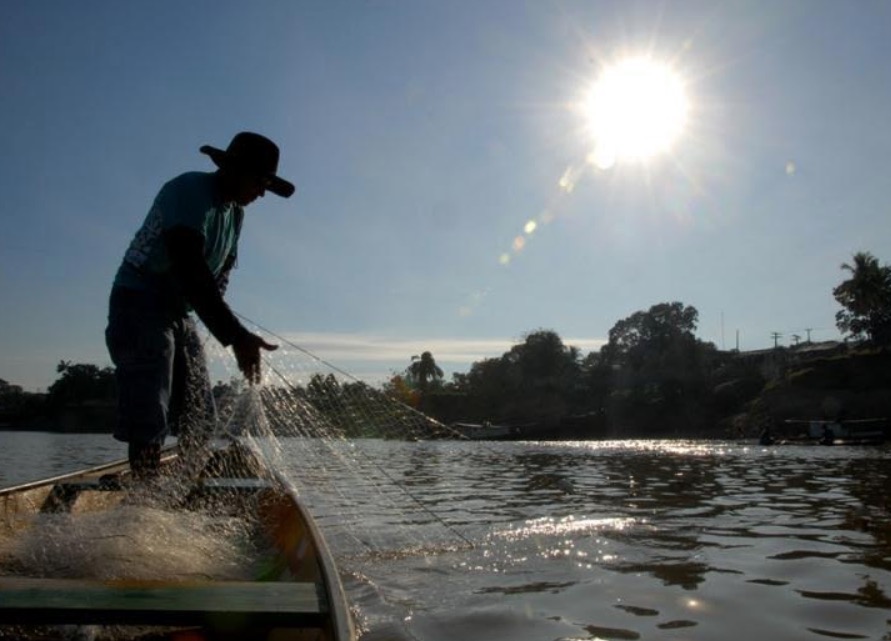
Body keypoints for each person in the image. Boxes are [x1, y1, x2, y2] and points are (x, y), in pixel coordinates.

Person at [105, 132, 293, 479]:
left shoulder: (235, 214)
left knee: (200, 416)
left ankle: (183, 486)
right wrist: (235, 335)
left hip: (180, 312)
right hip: (139, 302)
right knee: (150, 409)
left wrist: (230, 331)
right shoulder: (191, 192)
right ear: (233, 170)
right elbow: (190, 268)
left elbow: (215, 280)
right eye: (259, 181)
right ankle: (144, 500)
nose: (262, 192)